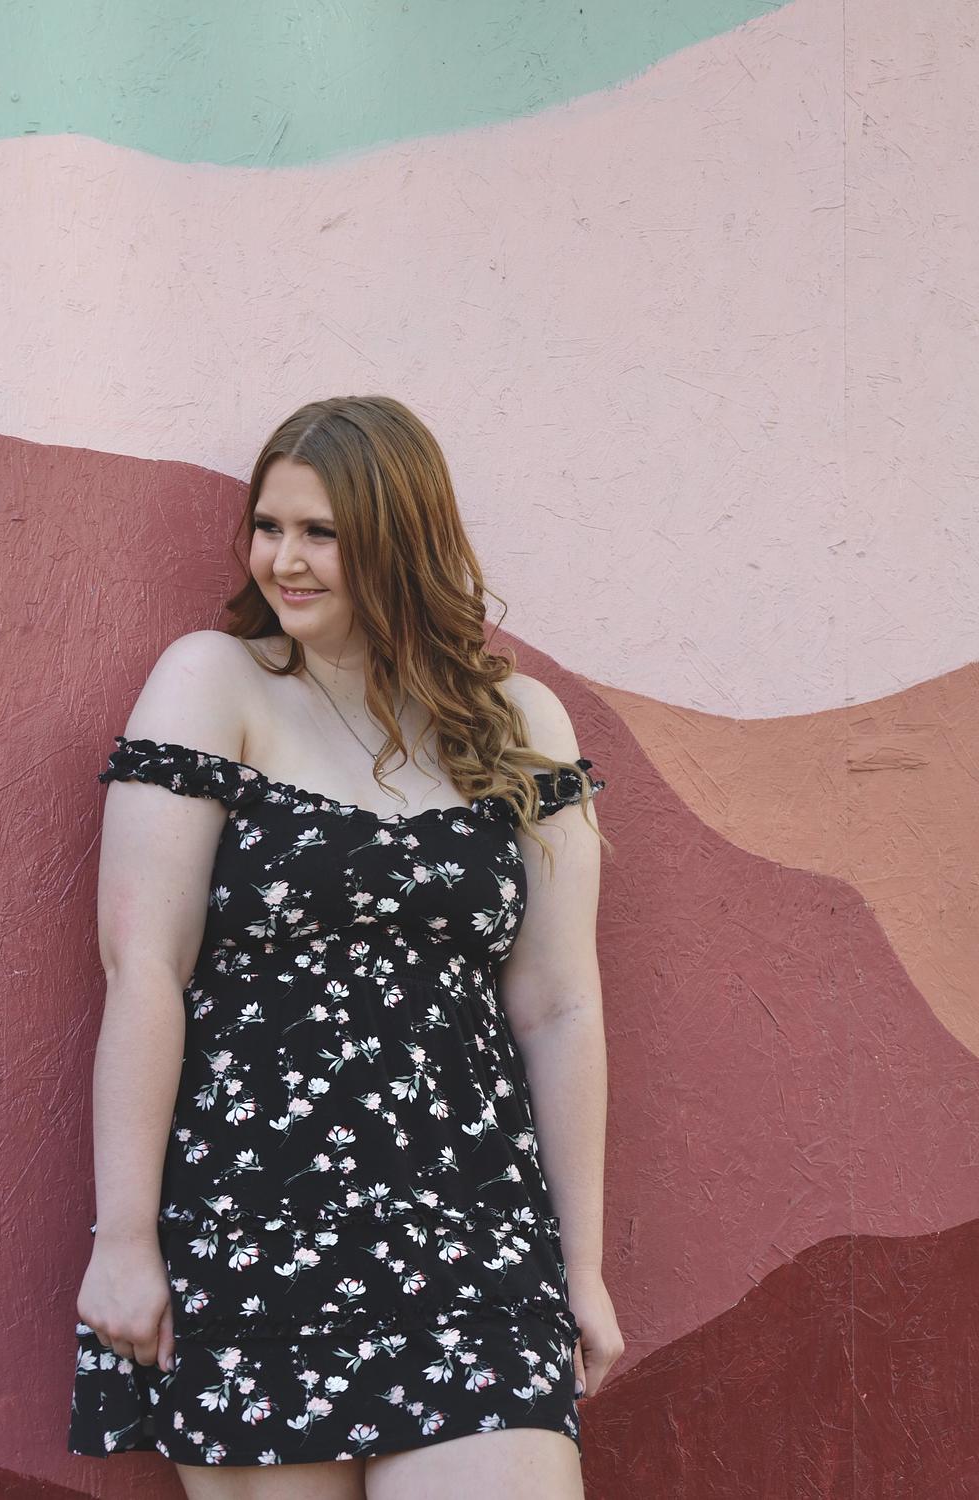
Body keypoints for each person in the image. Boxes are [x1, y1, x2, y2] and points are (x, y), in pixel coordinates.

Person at [66, 395, 622, 1498]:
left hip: (471, 1221)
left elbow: (560, 1007)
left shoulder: (520, 722)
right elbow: (143, 969)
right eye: (269, 527)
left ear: (400, 538)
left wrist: (583, 1268)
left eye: (320, 532)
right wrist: (123, 1240)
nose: (285, 560)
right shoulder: (212, 682)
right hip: (254, 1215)